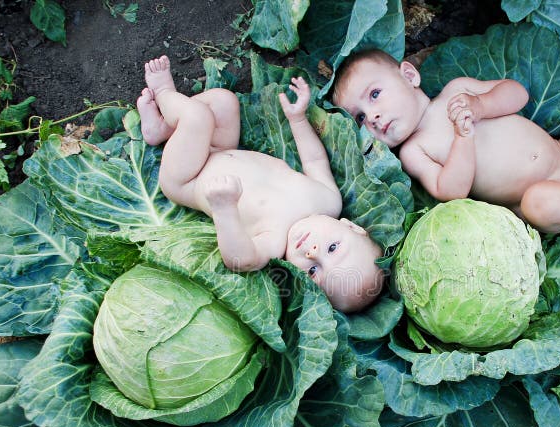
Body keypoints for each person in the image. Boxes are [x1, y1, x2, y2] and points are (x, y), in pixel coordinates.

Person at [136, 55, 384, 312]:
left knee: (198, 117)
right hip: (221, 147)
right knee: (224, 102)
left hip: (187, 176)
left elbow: (239, 260)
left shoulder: (275, 241)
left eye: (312, 270)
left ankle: (164, 92)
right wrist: (297, 119)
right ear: (352, 227)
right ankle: (164, 127)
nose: (312, 251)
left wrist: (224, 207)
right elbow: (314, 159)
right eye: (332, 248)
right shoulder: (329, 200)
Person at [331, 49, 560, 234]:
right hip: (540, 196)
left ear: (409, 76)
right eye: (360, 117)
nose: (372, 116)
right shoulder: (414, 151)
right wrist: (463, 139)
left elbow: (517, 94)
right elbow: (451, 190)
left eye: (374, 95)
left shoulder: (457, 90)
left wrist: (482, 105)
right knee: (539, 202)